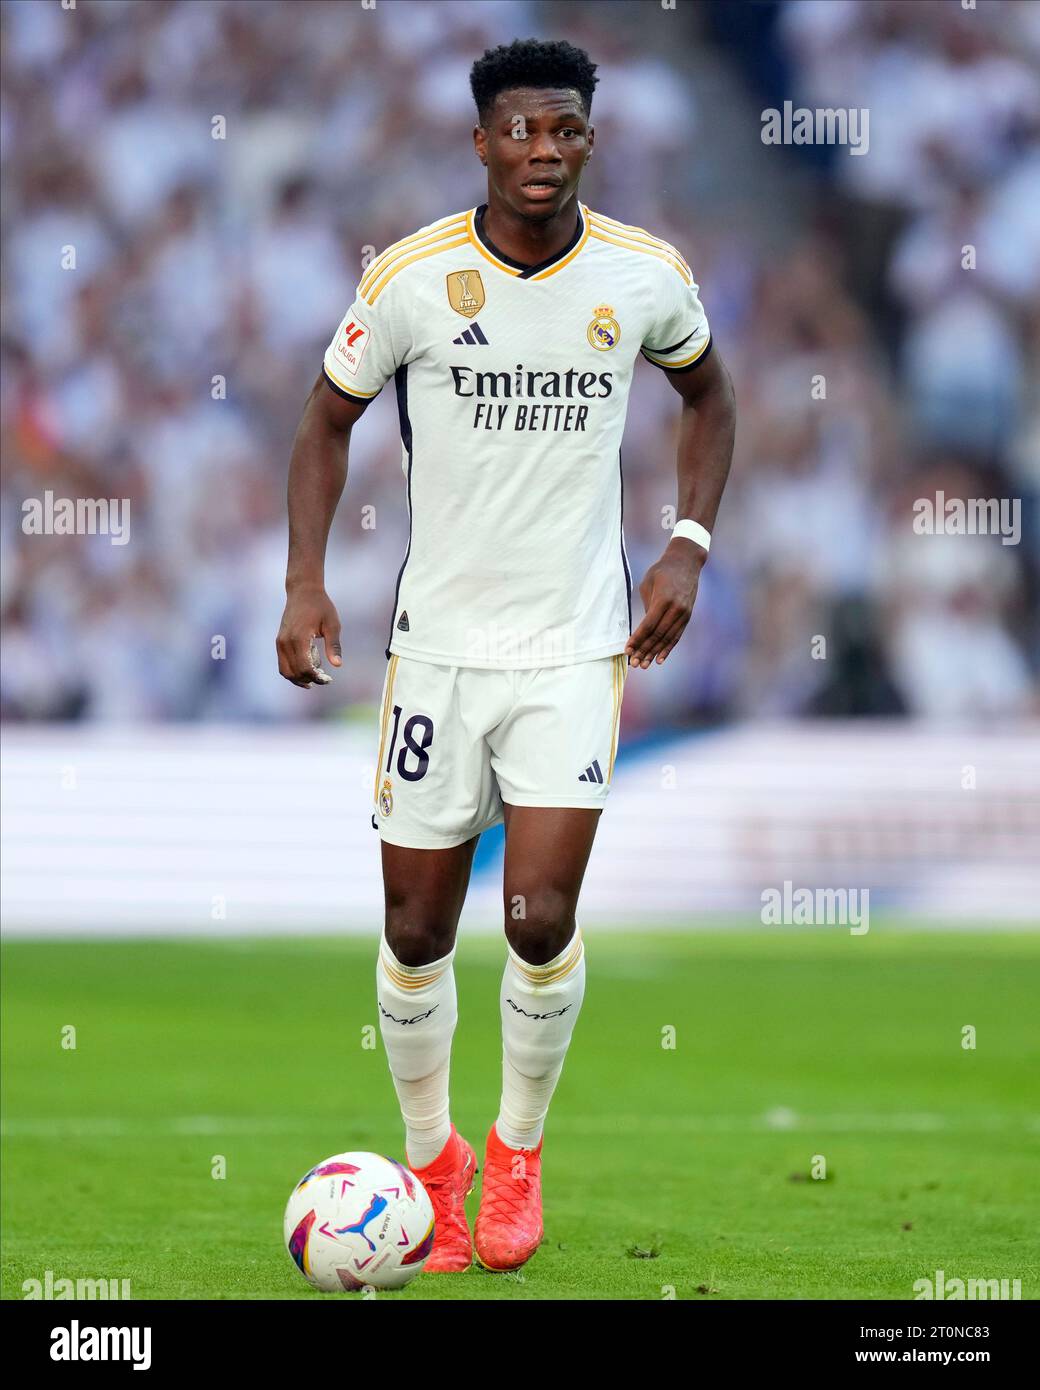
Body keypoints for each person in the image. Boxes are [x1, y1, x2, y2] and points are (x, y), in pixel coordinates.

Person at [276, 38, 735, 1274]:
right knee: (416, 927)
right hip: (435, 651)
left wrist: (686, 544)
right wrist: (305, 580)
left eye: (566, 132)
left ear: (590, 140)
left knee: (535, 914)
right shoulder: (413, 279)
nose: (544, 152)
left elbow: (710, 395)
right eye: (521, 133)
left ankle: (516, 1152)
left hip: (575, 647)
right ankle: (432, 1160)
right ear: (479, 142)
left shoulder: (641, 277)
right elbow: (324, 422)